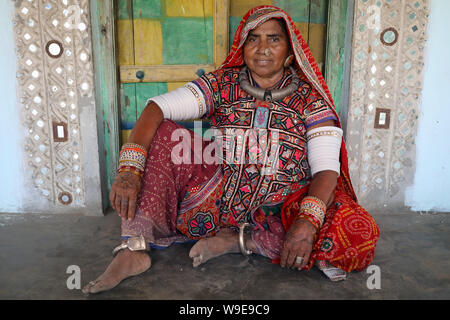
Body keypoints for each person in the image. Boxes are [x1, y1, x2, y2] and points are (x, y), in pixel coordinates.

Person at [82, 5, 380, 294]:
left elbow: (326, 169)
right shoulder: (221, 85)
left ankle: (239, 242)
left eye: (273, 39)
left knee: (356, 229)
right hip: (212, 202)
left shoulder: (310, 102)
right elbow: (157, 107)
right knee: (164, 133)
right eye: (253, 38)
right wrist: (129, 171)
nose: (262, 48)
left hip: (278, 209)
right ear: (242, 46)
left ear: (290, 52)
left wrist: (305, 223)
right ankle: (133, 246)